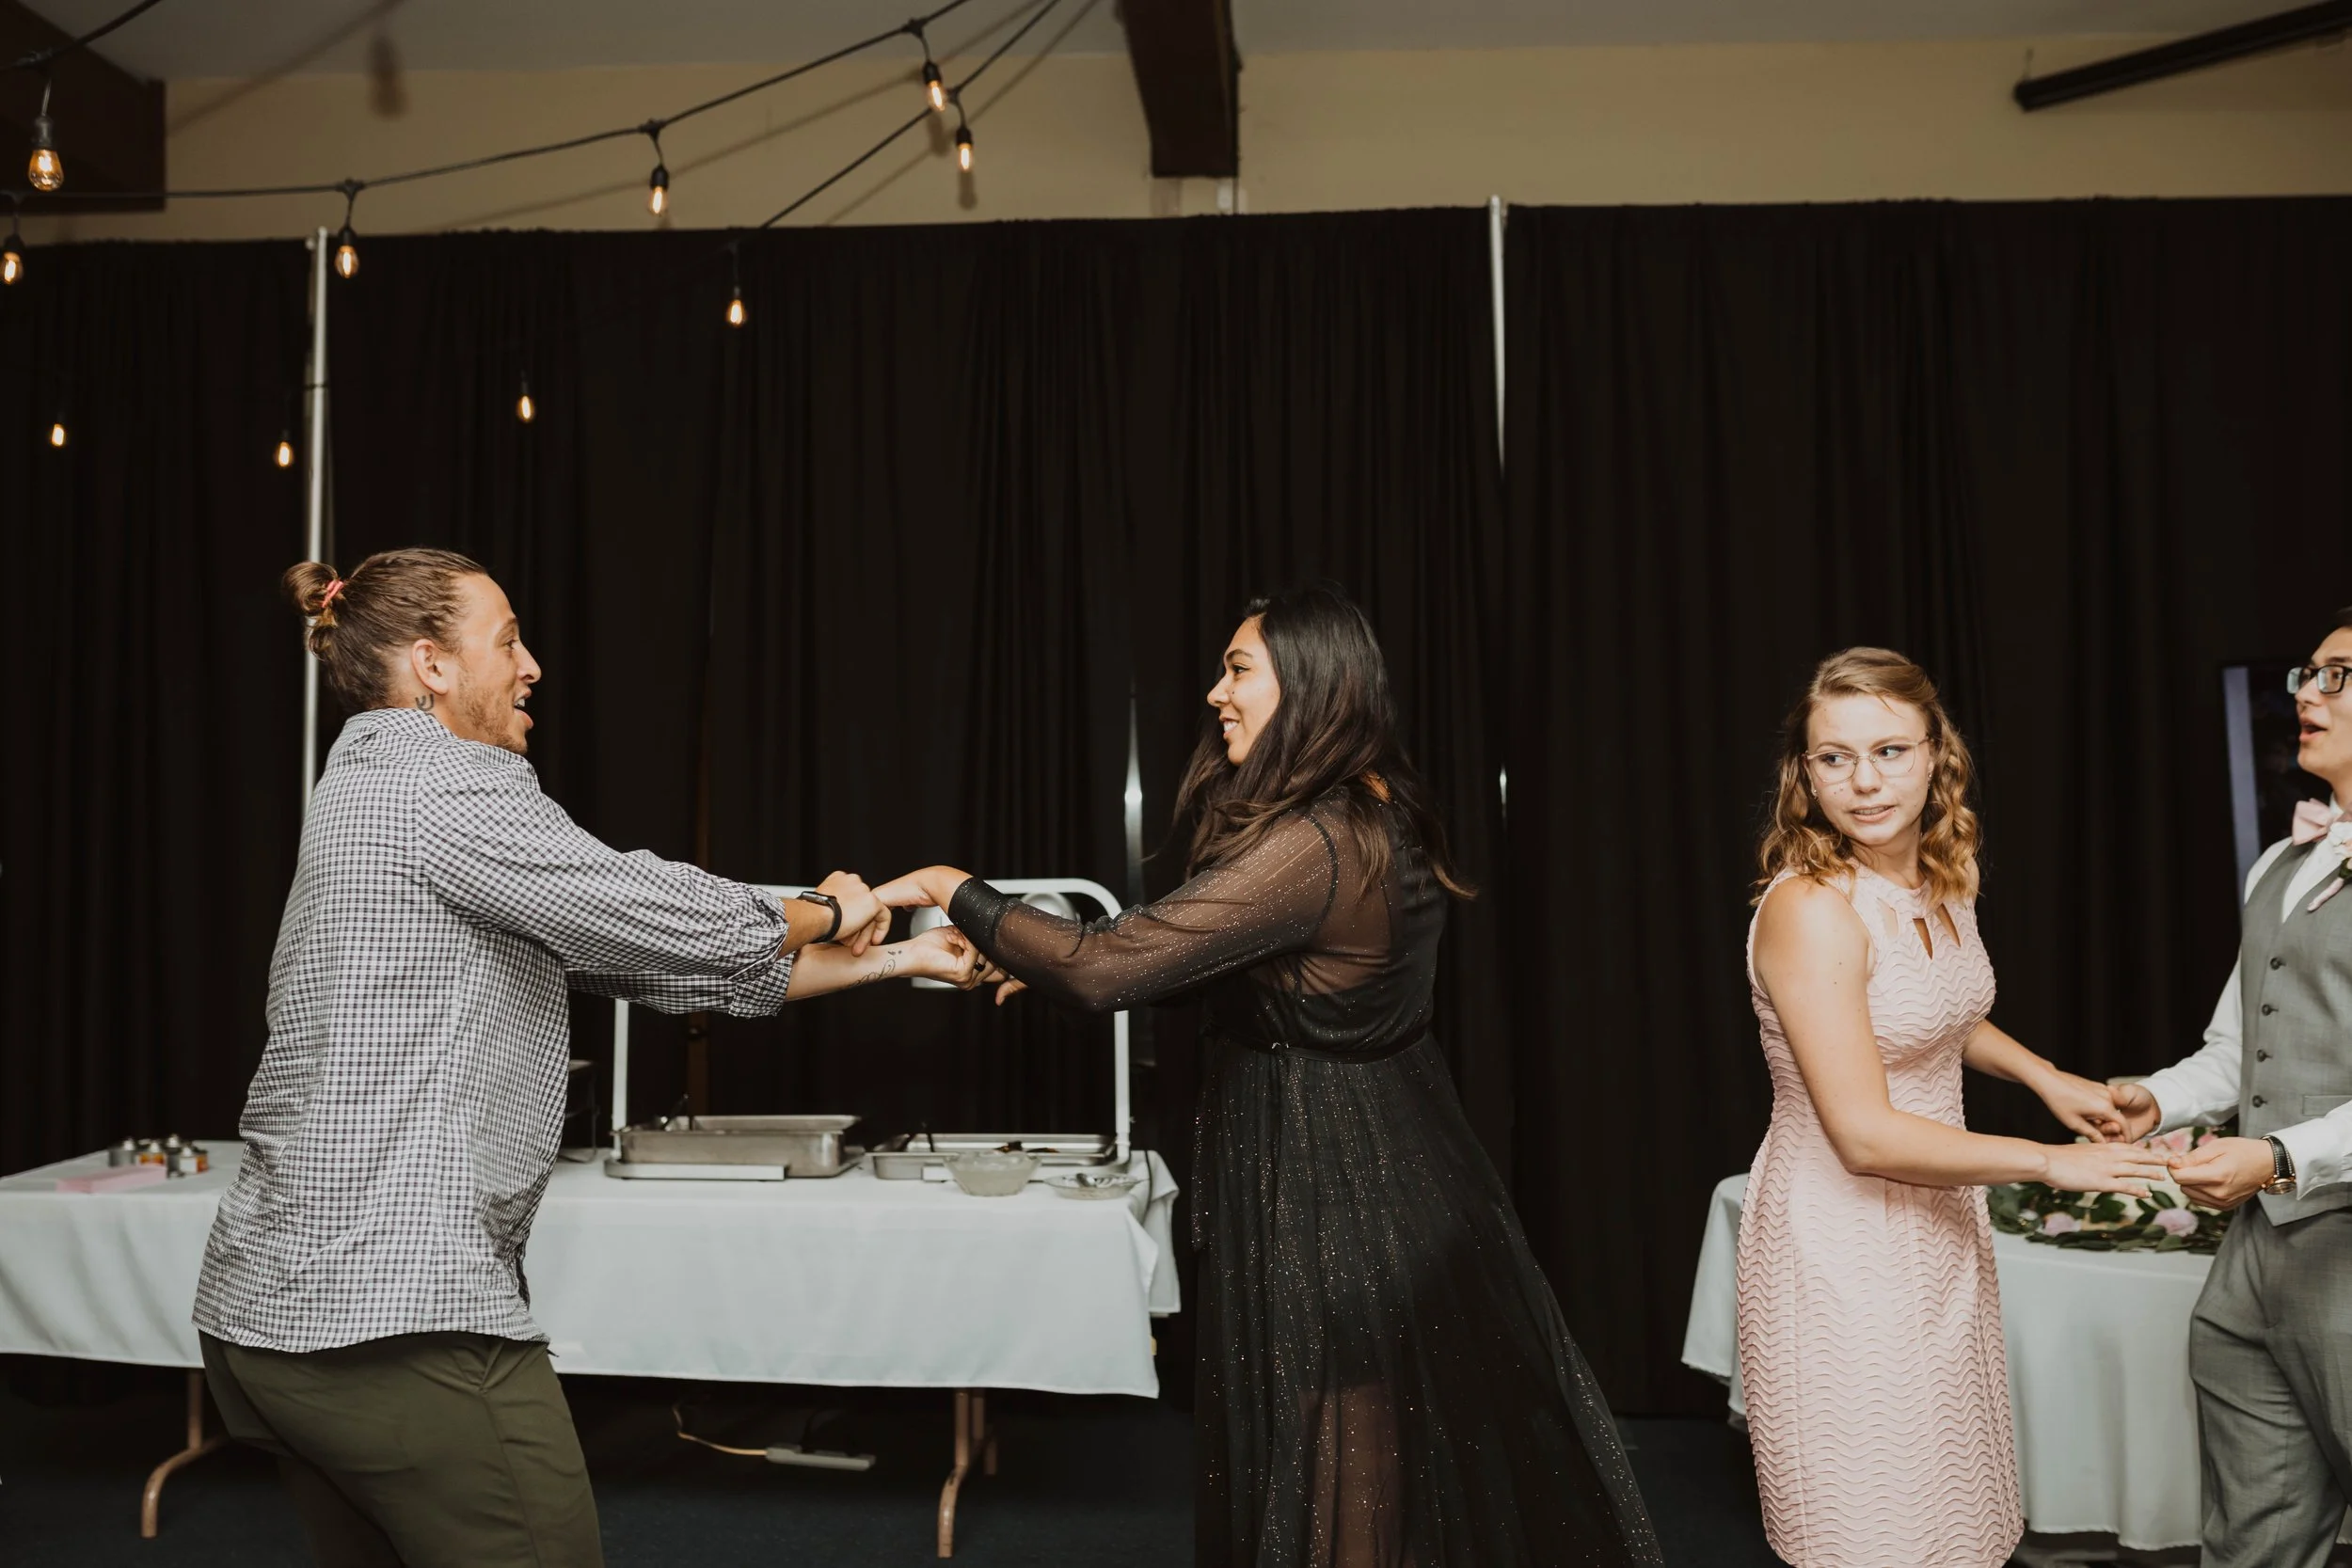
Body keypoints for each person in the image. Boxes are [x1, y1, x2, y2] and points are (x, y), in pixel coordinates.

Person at [194, 548, 984, 1568]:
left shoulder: (369, 783)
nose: (532, 665)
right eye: (509, 638)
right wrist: (835, 906)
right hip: (390, 1316)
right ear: (431, 666)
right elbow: (654, 907)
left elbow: (657, 957)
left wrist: (902, 954)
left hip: (268, 1317)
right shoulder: (442, 784)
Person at [875, 585, 1661, 1568]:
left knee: (1343, 1458)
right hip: (1374, 1154)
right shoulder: (1375, 806)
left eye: (1239, 668)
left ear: (1315, 684)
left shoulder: (1319, 840)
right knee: (1348, 1449)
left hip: (1337, 1177)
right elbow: (1267, 975)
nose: (1215, 691)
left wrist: (952, 887)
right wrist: (1028, 961)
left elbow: (1105, 964)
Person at [1738, 647, 2171, 1568]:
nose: (1863, 782)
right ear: (1802, 772)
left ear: (1940, 754)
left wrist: (2050, 1077)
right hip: (1842, 1247)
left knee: (1952, 1515)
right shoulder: (1811, 908)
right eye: (1833, 757)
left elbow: (1939, 1009)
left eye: (1890, 750)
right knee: (1874, 1522)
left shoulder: (1936, 872)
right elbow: (1860, 1133)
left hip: (1939, 1223)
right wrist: (2051, 1157)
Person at [2108, 609, 2352, 1568]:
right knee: (2251, 1539)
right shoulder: (2279, 863)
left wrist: (2282, 1156)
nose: (2304, 692)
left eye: (2338, 675)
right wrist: (2152, 1099)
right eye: (2308, 672)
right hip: (2255, 1263)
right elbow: (2237, 1044)